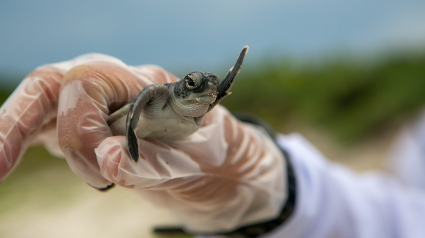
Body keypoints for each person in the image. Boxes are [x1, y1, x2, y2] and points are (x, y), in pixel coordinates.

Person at [0, 54, 424, 238]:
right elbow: (397, 218)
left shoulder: (208, 98)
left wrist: (259, 180)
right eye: (193, 83)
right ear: (181, 84)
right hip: (139, 123)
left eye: (212, 88)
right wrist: (289, 191)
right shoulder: (158, 94)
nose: (204, 90)